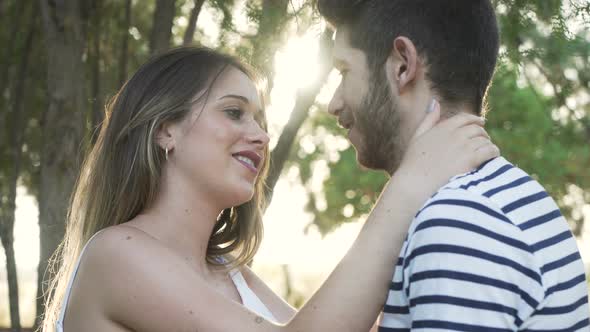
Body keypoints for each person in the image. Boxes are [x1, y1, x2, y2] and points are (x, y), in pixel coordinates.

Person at [41, 46, 498, 332]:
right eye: (235, 112)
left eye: (260, 120)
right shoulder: (115, 255)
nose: (260, 135)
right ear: (166, 131)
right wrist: (410, 183)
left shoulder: (231, 276)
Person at [316, 0, 590, 331]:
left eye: (344, 71)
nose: (334, 103)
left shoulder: (456, 220)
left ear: (402, 65)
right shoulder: (510, 197)